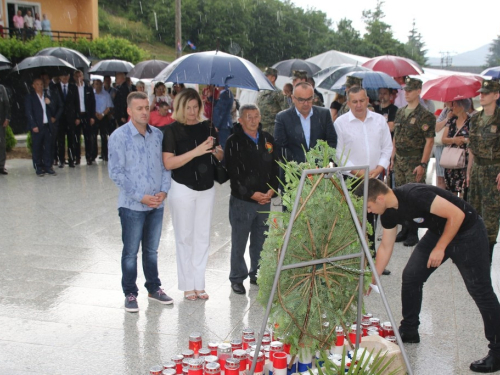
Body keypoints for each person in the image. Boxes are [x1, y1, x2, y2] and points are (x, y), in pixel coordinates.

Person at [360, 178, 500, 374]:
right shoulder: (388, 214)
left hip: (467, 231)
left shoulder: (414, 194)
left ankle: (497, 351)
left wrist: (440, 248)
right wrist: (373, 276)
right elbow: (386, 246)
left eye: (368, 206)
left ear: (380, 198)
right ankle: (409, 329)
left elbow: (456, 215)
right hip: (439, 231)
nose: (368, 211)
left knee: (480, 291)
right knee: (411, 276)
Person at [108, 91, 173, 313]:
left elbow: (166, 166)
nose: (144, 112)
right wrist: (140, 196)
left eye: (147, 107)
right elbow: (116, 173)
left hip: (156, 204)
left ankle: (154, 288)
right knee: (130, 251)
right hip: (132, 206)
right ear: (129, 110)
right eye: (139, 108)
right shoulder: (119, 137)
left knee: (152, 250)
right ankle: (130, 293)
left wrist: (163, 192)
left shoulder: (157, 135)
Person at [162, 88, 223, 301]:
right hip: (182, 187)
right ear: (180, 108)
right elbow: (169, 162)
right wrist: (197, 151)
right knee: (185, 237)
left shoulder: (207, 127)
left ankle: (199, 283)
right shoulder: (171, 130)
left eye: (195, 107)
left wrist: (215, 150)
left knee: (202, 237)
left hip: (207, 188)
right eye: (188, 107)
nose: (192, 111)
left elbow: (219, 153)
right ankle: (187, 284)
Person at [334, 86, 393, 275]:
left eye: (362, 100)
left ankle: (371, 260)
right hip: (352, 179)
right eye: (354, 101)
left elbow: (387, 147)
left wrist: (380, 167)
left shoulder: (379, 121)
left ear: (368, 100)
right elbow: (338, 154)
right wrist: (358, 172)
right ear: (348, 102)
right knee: (352, 220)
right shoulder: (341, 123)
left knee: (372, 219)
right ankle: (352, 260)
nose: (358, 105)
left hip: (376, 177)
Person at [224, 104, 280, 295]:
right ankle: (237, 277)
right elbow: (234, 173)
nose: (254, 120)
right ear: (240, 120)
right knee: (239, 241)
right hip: (243, 201)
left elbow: (276, 167)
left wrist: (272, 190)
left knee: (261, 239)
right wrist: (250, 193)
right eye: (249, 117)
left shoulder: (267, 139)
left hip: (265, 199)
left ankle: (258, 273)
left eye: (256, 116)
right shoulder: (234, 141)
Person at [391, 77, 435, 247]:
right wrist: (392, 157)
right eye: (405, 90)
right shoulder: (401, 112)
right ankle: (405, 228)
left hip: (414, 159)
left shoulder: (425, 115)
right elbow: (397, 136)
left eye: (410, 90)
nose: (406, 93)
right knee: (401, 196)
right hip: (401, 159)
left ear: (418, 91)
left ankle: (414, 231)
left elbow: (429, 141)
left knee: (415, 197)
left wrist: (423, 164)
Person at [467, 79, 500, 262]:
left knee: (491, 214)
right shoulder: (476, 119)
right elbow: (472, 147)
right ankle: (475, 252)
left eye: (486, 93)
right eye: (481, 93)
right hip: (478, 169)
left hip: (494, 170)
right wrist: (469, 171)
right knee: (475, 210)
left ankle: (487, 255)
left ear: (496, 95)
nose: (482, 96)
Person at [274, 82, 337, 164]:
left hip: (319, 171)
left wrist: (319, 161)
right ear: (293, 98)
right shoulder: (282, 118)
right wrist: (302, 164)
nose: (306, 103)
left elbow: (331, 141)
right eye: (301, 100)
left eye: (309, 99)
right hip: (293, 171)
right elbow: (280, 147)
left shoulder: (324, 115)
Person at [25, 78, 58, 176]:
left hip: (47, 125)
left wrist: (50, 103)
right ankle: (38, 167)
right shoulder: (30, 97)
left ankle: (48, 166)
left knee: (48, 147)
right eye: (37, 84)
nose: (39, 86)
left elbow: (53, 109)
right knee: (37, 148)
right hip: (37, 126)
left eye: (41, 84)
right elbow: (29, 112)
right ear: (33, 85)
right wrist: (33, 125)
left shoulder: (46, 96)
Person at [442, 99, 471, 196]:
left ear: (462, 107)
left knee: (463, 190)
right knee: (451, 192)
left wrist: (464, 140)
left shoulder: (471, 122)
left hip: (464, 160)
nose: (452, 108)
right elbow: (444, 139)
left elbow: (474, 139)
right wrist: (454, 140)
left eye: (454, 105)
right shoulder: (451, 121)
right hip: (451, 160)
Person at [55, 72, 79, 168]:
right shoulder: (55, 87)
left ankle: (71, 159)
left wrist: (77, 117)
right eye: (63, 75)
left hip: (71, 118)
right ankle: (61, 159)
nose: (65, 77)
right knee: (60, 140)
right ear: (60, 76)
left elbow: (77, 103)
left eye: (66, 75)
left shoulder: (73, 87)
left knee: (71, 139)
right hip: (60, 118)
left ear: (69, 77)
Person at [256, 67, 289, 135]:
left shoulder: (278, 93)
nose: (264, 78)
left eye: (266, 76)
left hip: (272, 130)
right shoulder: (261, 92)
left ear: (273, 78)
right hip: (260, 128)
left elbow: (286, 112)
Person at [73, 70, 96, 165]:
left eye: (80, 75)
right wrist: (76, 117)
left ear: (83, 76)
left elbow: (92, 103)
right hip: (78, 115)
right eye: (77, 75)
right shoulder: (73, 88)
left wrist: (92, 116)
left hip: (87, 115)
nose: (79, 77)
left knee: (88, 137)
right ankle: (77, 157)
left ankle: (89, 157)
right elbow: (72, 105)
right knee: (76, 138)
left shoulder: (88, 88)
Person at [40, 73, 63, 166]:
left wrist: (56, 117)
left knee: (53, 142)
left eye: (46, 79)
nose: (45, 81)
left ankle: (53, 159)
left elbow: (60, 106)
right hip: (42, 122)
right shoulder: (38, 92)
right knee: (43, 143)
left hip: (53, 121)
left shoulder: (54, 90)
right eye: (43, 79)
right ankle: (44, 162)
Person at [434, 102, 453, 190]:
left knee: (452, 180)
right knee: (440, 178)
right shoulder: (445, 111)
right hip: (441, 147)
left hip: (452, 148)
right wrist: (447, 119)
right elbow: (436, 128)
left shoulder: (462, 109)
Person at [93, 78, 114, 161]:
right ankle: (93, 154)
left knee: (103, 136)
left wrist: (102, 114)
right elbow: (90, 105)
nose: (97, 85)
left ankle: (105, 154)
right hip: (94, 116)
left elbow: (109, 107)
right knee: (93, 136)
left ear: (102, 84)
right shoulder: (91, 94)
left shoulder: (106, 94)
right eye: (96, 84)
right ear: (93, 85)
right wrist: (95, 114)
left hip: (103, 117)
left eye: (99, 84)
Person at [0, 83, 10, 175]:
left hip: (1, 121)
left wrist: (7, 118)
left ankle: (1, 166)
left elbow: (7, 104)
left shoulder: (2, 88)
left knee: (2, 144)